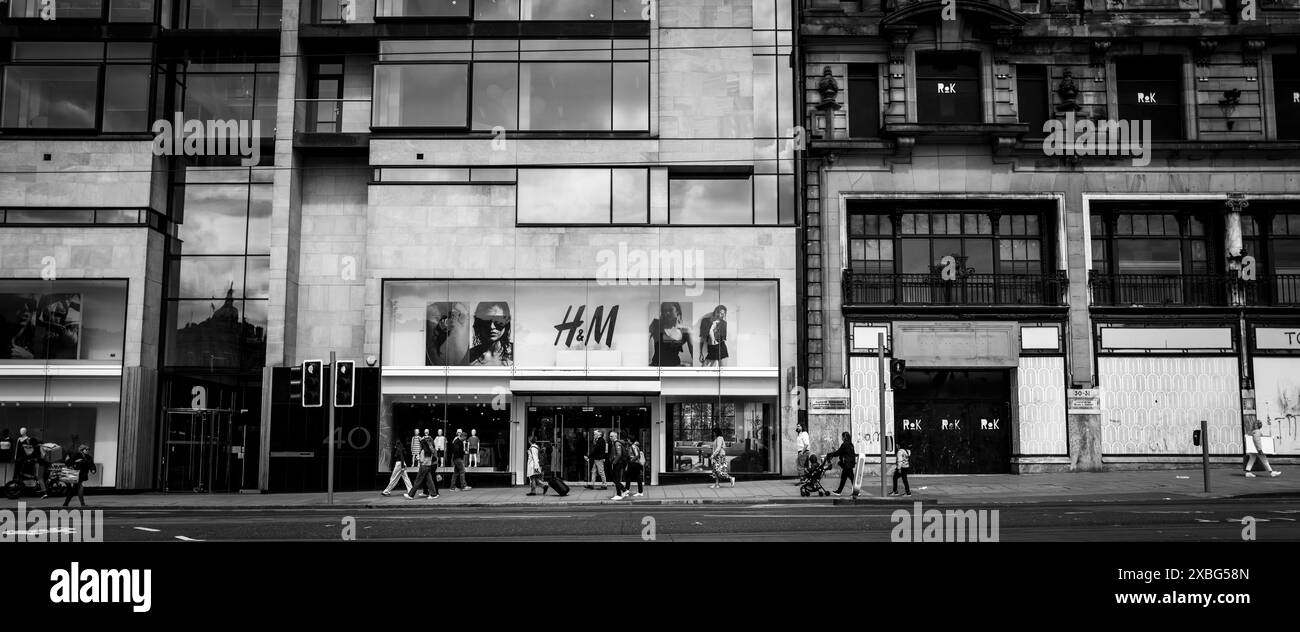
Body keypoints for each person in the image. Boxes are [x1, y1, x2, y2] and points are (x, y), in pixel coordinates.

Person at [649, 302, 694, 367]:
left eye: (670, 310)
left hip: (674, 369)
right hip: (656, 368)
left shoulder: (686, 331)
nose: (667, 313)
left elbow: (693, 353)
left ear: (677, 311)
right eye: (664, 311)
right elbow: (642, 343)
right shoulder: (656, 325)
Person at [14, 427, 47, 498]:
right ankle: (41, 488)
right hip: (39, 463)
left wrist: (31, 459)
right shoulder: (35, 447)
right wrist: (23, 459)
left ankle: (45, 493)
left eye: (30, 442)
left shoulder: (37, 447)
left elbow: (37, 456)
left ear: (32, 442)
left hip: (41, 464)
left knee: (39, 477)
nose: (28, 442)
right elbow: (31, 455)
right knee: (37, 476)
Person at [825, 431, 859, 497]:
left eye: (842, 437)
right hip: (850, 464)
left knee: (847, 478)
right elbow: (844, 453)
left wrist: (830, 454)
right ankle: (854, 491)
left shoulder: (845, 444)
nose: (842, 438)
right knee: (848, 478)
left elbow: (838, 452)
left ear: (844, 437)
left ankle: (841, 491)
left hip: (847, 464)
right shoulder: (850, 444)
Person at [609, 431, 629, 500]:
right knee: (615, 479)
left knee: (616, 479)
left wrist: (614, 462)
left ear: (615, 436)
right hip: (618, 463)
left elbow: (619, 454)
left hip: (618, 463)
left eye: (611, 436)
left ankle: (619, 494)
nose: (610, 437)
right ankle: (624, 490)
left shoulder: (617, 443)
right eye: (610, 436)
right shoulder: (616, 443)